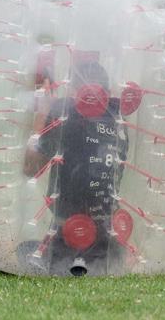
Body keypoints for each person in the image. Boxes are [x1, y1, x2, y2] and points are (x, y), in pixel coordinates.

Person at [20, 60, 132, 276]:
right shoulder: (119, 118)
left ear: (73, 92)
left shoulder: (64, 112)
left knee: (25, 251)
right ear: (106, 91)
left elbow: (30, 167)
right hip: (109, 240)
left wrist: (42, 111)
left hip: (66, 238)